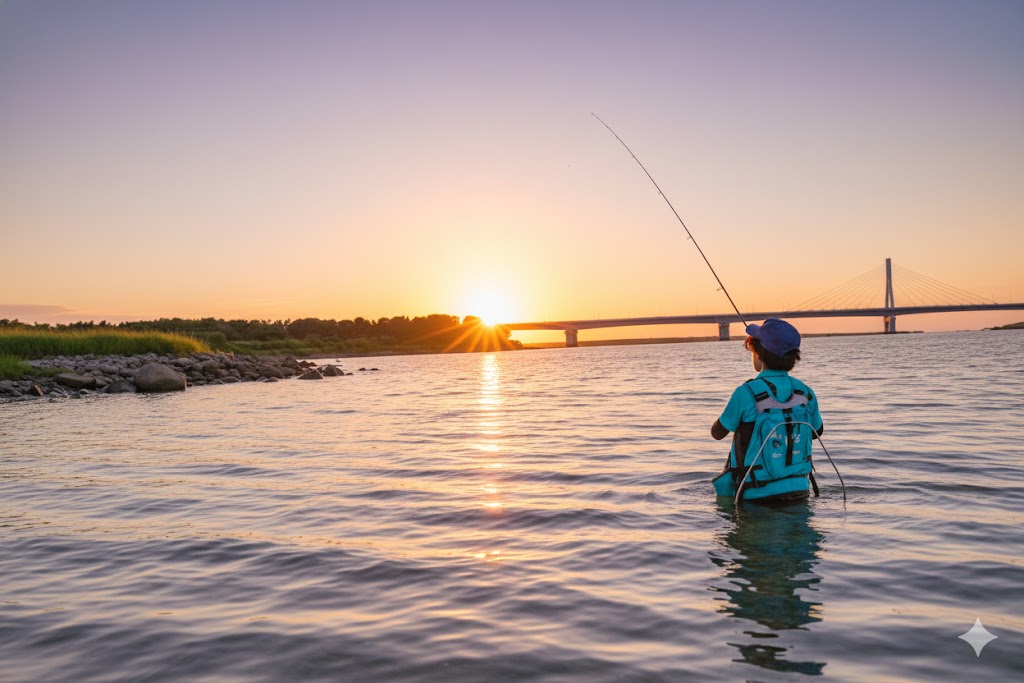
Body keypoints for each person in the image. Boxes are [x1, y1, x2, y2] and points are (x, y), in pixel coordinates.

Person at [711, 318, 824, 505]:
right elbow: (817, 432)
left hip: (755, 496)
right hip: (800, 491)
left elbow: (717, 433)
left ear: (756, 351)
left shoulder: (745, 392)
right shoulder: (805, 392)